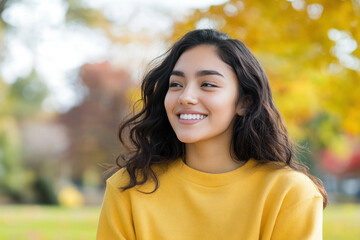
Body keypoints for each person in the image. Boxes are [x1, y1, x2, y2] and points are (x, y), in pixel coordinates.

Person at [97, 29, 328, 240]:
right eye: (176, 84)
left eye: (207, 84)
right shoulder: (128, 188)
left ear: (244, 102)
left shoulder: (289, 193)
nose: (185, 97)